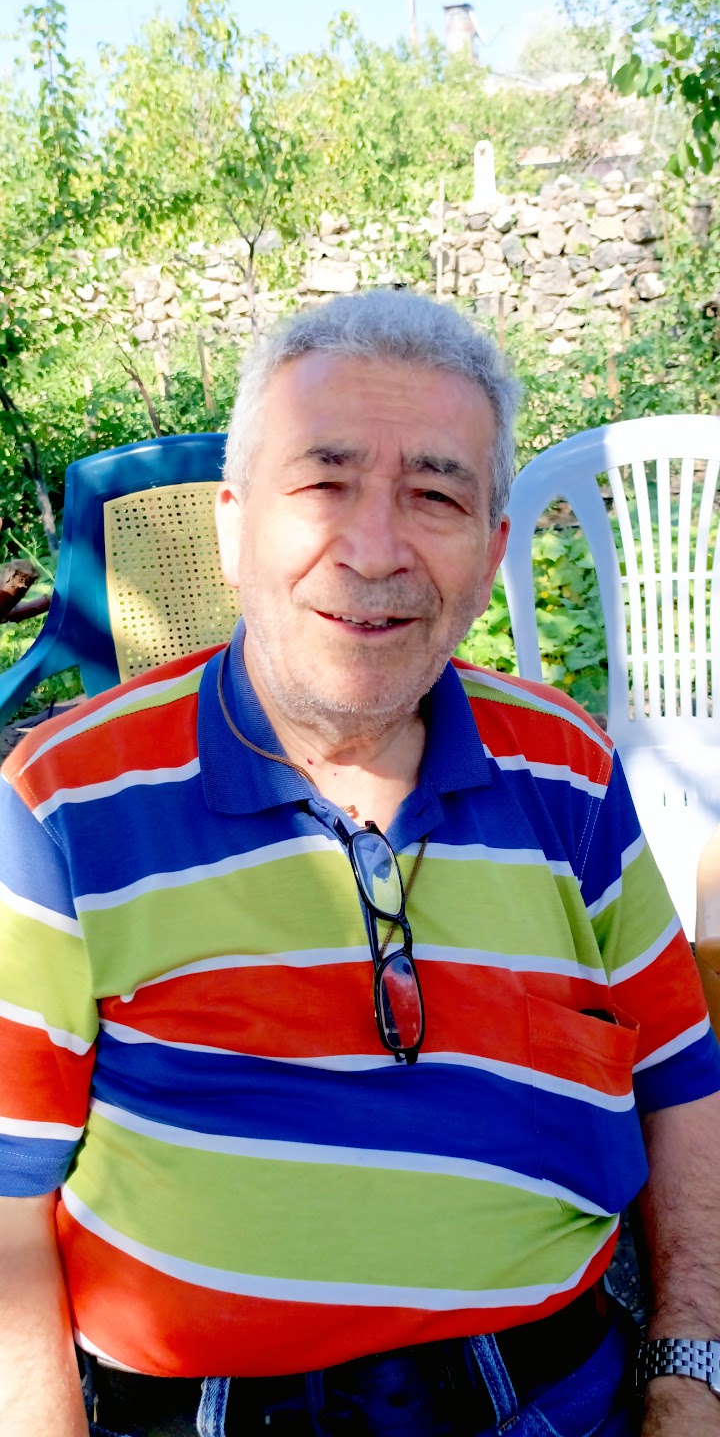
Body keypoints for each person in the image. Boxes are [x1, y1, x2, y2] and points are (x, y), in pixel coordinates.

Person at [1, 290, 719, 1437]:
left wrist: (690, 1373)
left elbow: (681, 1084)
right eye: (324, 483)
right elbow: (8, 1203)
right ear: (234, 528)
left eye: (435, 495)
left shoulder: (569, 772)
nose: (375, 550)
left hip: (548, 1402)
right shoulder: (62, 804)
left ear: (490, 553)